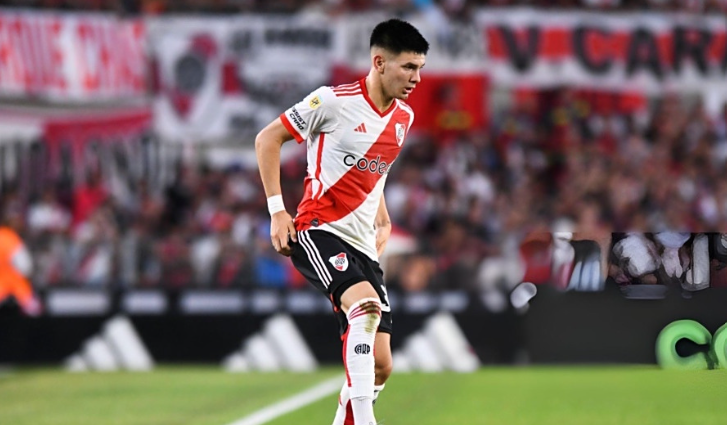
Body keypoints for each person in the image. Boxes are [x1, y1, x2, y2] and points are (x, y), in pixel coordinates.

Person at [255, 18, 428, 425]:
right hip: (319, 229)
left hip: (364, 243)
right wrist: (277, 211)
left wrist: (382, 217)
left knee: (381, 365)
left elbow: (372, 173)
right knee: (364, 307)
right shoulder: (331, 101)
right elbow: (267, 139)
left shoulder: (403, 118)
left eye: (420, 68)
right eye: (408, 67)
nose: (416, 78)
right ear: (379, 62)